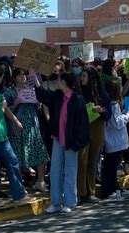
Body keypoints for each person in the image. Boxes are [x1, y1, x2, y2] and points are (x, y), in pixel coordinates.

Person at [0, 64, 35, 207]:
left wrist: (15, 121)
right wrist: (3, 104)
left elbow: (5, 108)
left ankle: (19, 194)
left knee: (13, 161)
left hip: (1, 135)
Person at [36, 72, 89, 214]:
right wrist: (34, 77)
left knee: (70, 171)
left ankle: (70, 202)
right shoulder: (58, 96)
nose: (57, 82)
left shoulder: (77, 99)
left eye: (59, 80)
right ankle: (56, 202)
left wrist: (78, 142)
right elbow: (43, 95)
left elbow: (82, 123)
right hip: (58, 139)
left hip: (71, 141)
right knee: (54, 171)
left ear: (65, 82)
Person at [4, 68, 49, 192]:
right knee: (18, 155)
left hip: (33, 127)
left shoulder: (32, 91)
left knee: (40, 152)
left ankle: (40, 181)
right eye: (19, 75)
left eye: (24, 75)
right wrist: (15, 104)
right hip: (17, 127)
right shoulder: (10, 93)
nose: (22, 77)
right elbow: (3, 109)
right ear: (14, 78)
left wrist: (37, 104)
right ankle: (19, 184)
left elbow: (40, 106)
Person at [77, 66, 111, 204]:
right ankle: (81, 192)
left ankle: (90, 192)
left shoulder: (102, 94)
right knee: (82, 161)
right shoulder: (78, 92)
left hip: (97, 127)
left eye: (84, 76)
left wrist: (101, 110)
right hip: (82, 128)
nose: (81, 79)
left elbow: (109, 113)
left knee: (92, 161)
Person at [101, 80, 129, 198]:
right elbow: (116, 123)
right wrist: (127, 115)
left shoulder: (111, 105)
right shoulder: (113, 105)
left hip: (114, 141)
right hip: (114, 141)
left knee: (112, 166)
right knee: (110, 167)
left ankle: (115, 186)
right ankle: (108, 190)